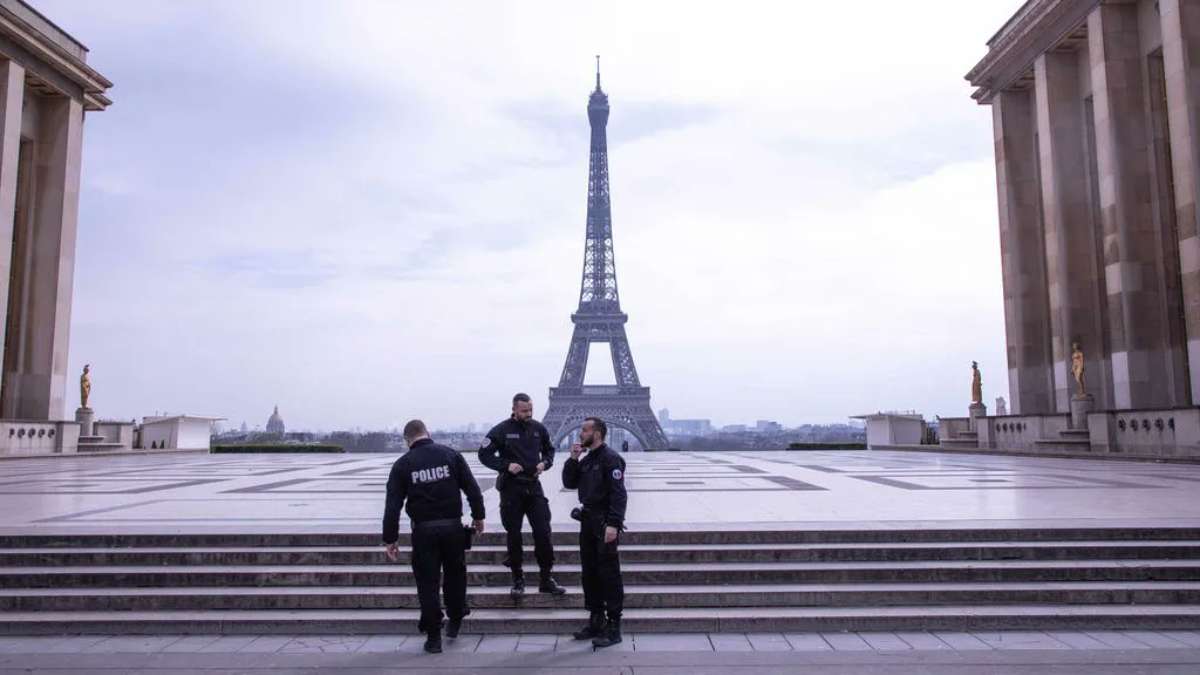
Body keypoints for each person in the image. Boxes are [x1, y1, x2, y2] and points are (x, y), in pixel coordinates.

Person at [383, 419, 485, 654]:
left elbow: (393, 506)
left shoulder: (403, 464)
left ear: (407, 440)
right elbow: (472, 489)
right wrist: (479, 517)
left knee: (427, 584)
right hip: (452, 528)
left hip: (424, 531)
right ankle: (456, 618)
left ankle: (433, 637)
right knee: (455, 577)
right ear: (427, 433)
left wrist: (391, 538)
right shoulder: (450, 455)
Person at [478, 393, 566, 598]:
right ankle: (518, 579)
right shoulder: (501, 430)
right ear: (515, 409)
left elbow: (550, 450)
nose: (528, 414)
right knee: (514, 536)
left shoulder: (539, 428)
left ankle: (546, 578)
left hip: (533, 487)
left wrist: (545, 463)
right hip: (511, 489)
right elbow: (484, 454)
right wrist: (506, 465)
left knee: (543, 532)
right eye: (524, 410)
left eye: (530, 410)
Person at [562, 416, 627, 649]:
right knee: (589, 572)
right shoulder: (587, 460)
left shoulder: (611, 459)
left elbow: (619, 494)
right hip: (587, 521)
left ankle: (614, 625)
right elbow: (569, 482)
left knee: (609, 573)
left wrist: (614, 524)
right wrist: (573, 458)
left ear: (597, 433)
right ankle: (596, 619)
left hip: (603, 522)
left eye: (584, 430)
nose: (580, 433)